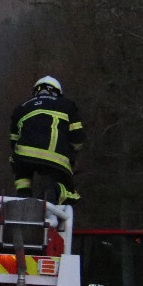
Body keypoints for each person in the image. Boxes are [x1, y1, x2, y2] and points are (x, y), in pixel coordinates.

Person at [9, 75, 85, 205]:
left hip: (24, 153)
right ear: (57, 92)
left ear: (35, 92)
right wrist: (73, 156)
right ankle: (54, 191)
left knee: (19, 164)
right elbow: (78, 137)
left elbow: (13, 141)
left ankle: (23, 195)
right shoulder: (67, 105)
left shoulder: (21, 108)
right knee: (68, 191)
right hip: (56, 157)